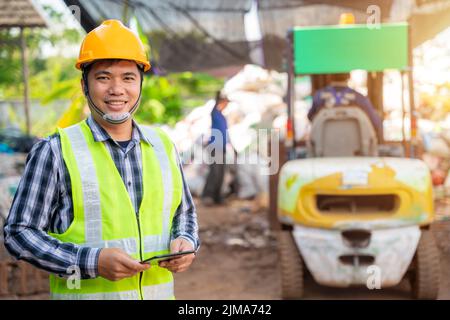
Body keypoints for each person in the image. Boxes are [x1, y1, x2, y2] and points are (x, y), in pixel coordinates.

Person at [3, 20, 199, 300]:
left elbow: (185, 214)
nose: (117, 89)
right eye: (104, 77)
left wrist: (186, 241)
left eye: (128, 77)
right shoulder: (55, 151)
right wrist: (90, 262)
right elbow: (20, 233)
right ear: (85, 85)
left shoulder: (163, 146)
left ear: (140, 83)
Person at [307, 73, 383, 140]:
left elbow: (310, 118)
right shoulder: (360, 99)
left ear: (329, 75)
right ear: (349, 75)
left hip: (322, 153)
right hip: (359, 153)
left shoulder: (318, 97)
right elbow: (376, 123)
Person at [202, 90, 230, 206]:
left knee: (221, 173)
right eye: (225, 102)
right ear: (221, 102)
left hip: (221, 147)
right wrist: (217, 95)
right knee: (215, 172)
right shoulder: (215, 114)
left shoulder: (223, 117)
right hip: (214, 147)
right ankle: (207, 196)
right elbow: (213, 109)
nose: (226, 104)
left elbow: (226, 133)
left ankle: (218, 197)